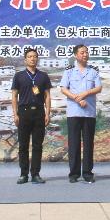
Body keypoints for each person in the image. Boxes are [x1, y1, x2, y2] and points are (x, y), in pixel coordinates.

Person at [59, 44, 102, 183]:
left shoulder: (93, 71)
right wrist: (77, 98)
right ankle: (74, 173)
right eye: (82, 52)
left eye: (86, 52)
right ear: (76, 55)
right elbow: (63, 89)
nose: (85, 54)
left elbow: (99, 88)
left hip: (89, 112)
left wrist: (86, 93)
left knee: (88, 144)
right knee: (74, 144)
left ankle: (88, 173)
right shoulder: (69, 71)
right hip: (74, 112)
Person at [11, 47, 52, 184]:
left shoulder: (43, 76)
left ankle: (35, 174)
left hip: (39, 112)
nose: (32, 58)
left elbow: (47, 96)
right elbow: (14, 96)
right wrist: (15, 114)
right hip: (24, 112)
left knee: (37, 145)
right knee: (23, 145)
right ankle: (23, 174)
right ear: (25, 60)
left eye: (35, 56)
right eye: (29, 56)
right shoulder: (19, 76)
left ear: (37, 59)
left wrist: (47, 113)